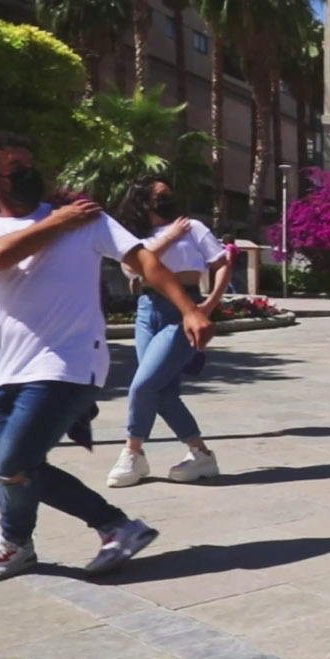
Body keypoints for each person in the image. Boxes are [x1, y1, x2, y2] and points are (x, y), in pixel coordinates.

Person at [0, 132, 210, 585]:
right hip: (11, 369)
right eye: (16, 168)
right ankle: (18, 545)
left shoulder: (86, 220)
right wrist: (57, 223)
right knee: (12, 468)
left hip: (71, 362)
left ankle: (114, 526)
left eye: (31, 163)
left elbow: (145, 261)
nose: (30, 174)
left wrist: (190, 309)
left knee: (13, 465)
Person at [105, 176, 230, 487]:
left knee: (142, 386)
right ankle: (201, 455)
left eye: (168, 194)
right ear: (143, 202)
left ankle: (133, 452)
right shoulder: (137, 238)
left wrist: (209, 305)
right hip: (148, 310)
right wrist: (168, 238)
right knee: (162, 392)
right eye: (160, 196)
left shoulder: (192, 227)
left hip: (184, 309)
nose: (167, 200)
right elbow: (132, 269)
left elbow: (221, 263)